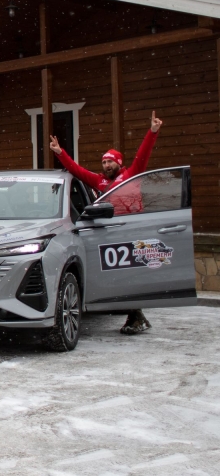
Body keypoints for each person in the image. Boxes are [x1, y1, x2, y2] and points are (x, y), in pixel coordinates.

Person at [50, 110, 163, 335]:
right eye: (104, 162)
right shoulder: (99, 181)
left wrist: (152, 132)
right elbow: (77, 171)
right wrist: (60, 153)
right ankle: (132, 313)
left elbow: (143, 155)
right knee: (115, 275)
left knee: (131, 274)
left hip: (131, 230)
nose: (106, 165)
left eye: (110, 161)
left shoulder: (131, 175)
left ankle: (135, 315)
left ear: (118, 163)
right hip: (109, 233)